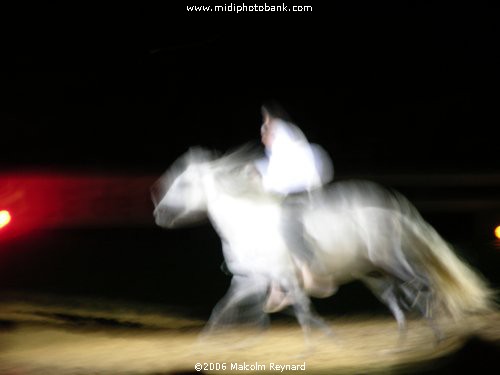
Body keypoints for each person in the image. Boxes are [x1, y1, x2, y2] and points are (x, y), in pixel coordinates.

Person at [255, 104, 334, 312]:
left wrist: (263, 180)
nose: (263, 129)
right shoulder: (280, 139)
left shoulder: (282, 134)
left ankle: (311, 276)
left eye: (265, 121)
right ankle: (275, 290)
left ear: (273, 118)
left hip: (300, 190)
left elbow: (280, 172)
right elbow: (273, 168)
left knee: (286, 227)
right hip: (293, 189)